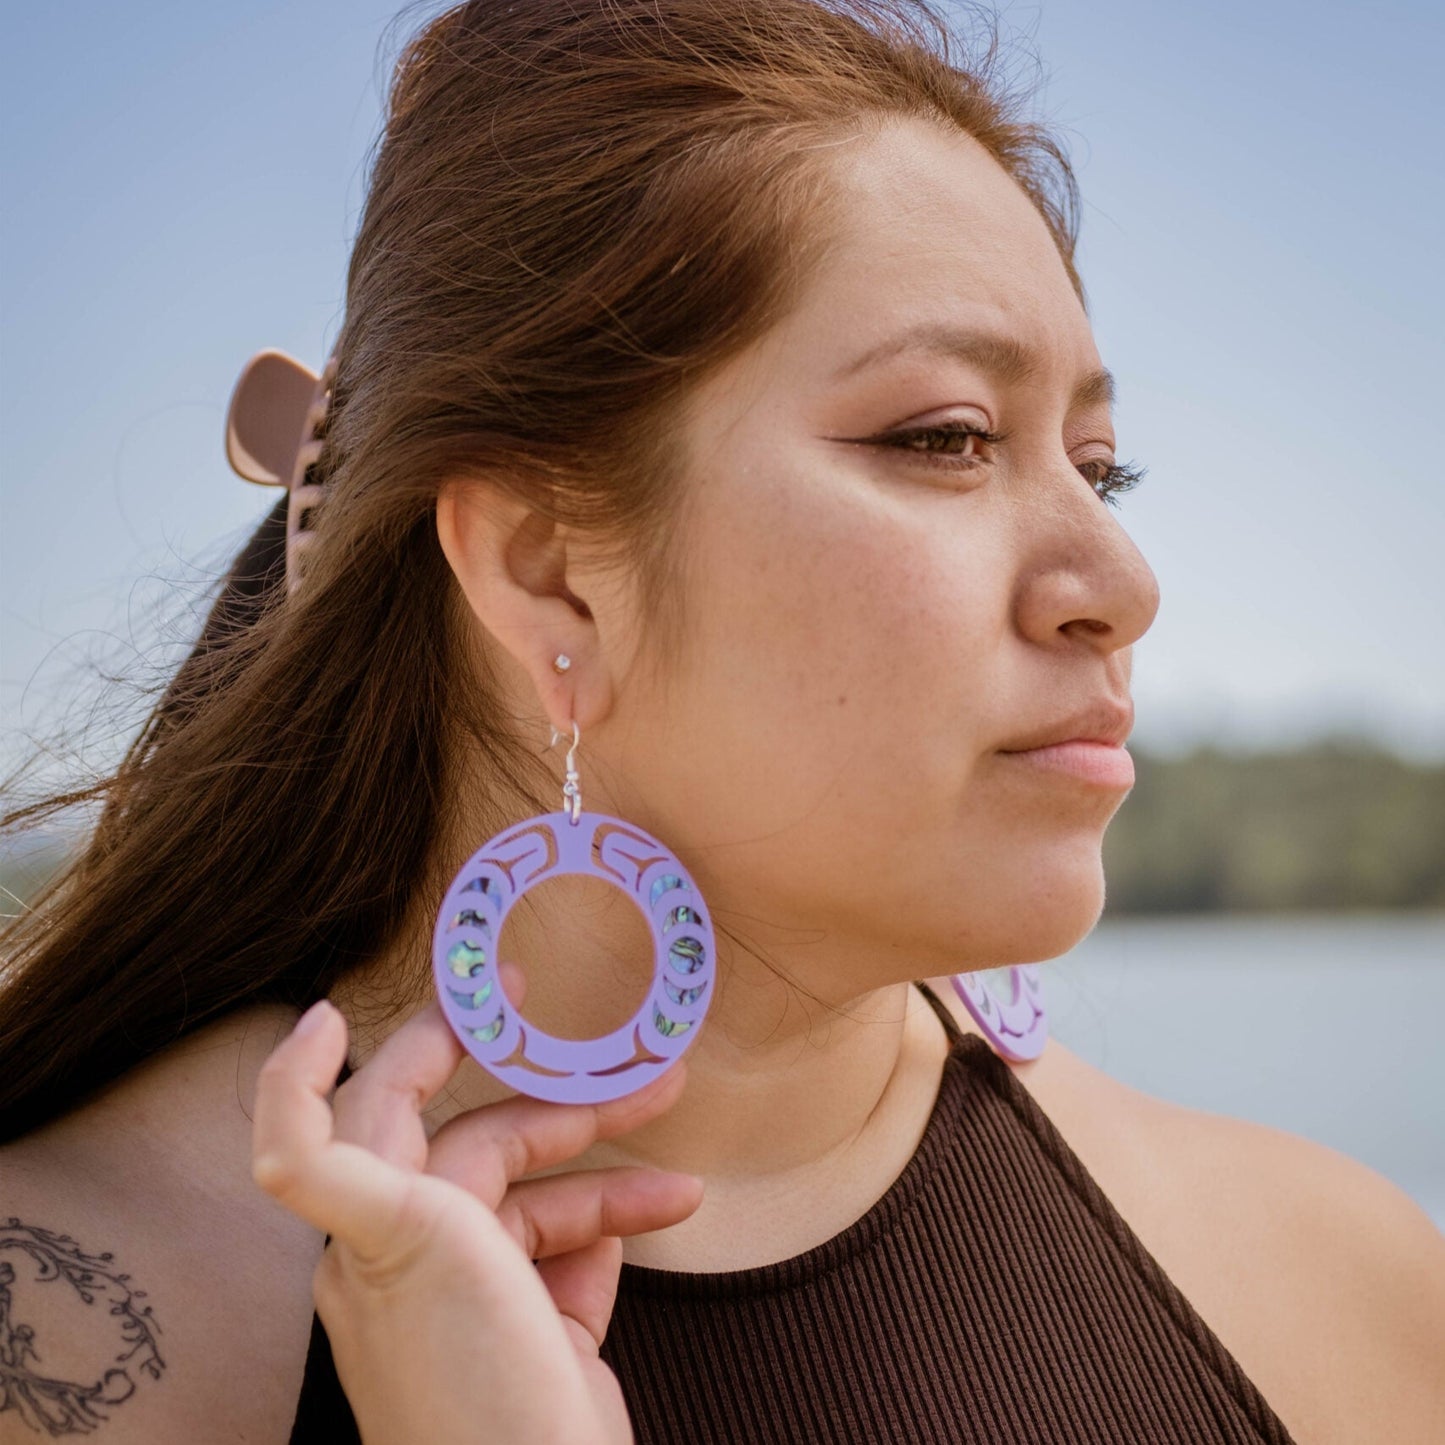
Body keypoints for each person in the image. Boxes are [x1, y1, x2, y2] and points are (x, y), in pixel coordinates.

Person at [2, 1, 1443, 1441]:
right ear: (545, 568)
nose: (1119, 584)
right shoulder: (75, 1338)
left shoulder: (1335, 1287)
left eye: (1099, 470)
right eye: (944, 438)